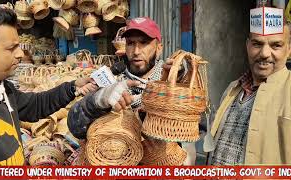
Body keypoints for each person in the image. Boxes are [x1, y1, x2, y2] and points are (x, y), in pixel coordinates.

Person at [0, 2, 97, 165]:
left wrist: (73, 87)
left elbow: (34, 106)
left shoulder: (2, 87)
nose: (20, 54)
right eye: (11, 48)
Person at [67, 17, 197, 165]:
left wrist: (179, 81)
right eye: (130, 43)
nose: (136, 51)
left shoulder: (172, 82)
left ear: (159, 48)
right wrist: (97, 102)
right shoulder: (111, 80)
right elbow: (75, 127)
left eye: (144, 43)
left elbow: (188, 131)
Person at [208, 23, 291, 165]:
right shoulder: (232, 89)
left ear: (289, 49)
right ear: (247, 45)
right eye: (257, 44)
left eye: (276, 45)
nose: (264, 53)